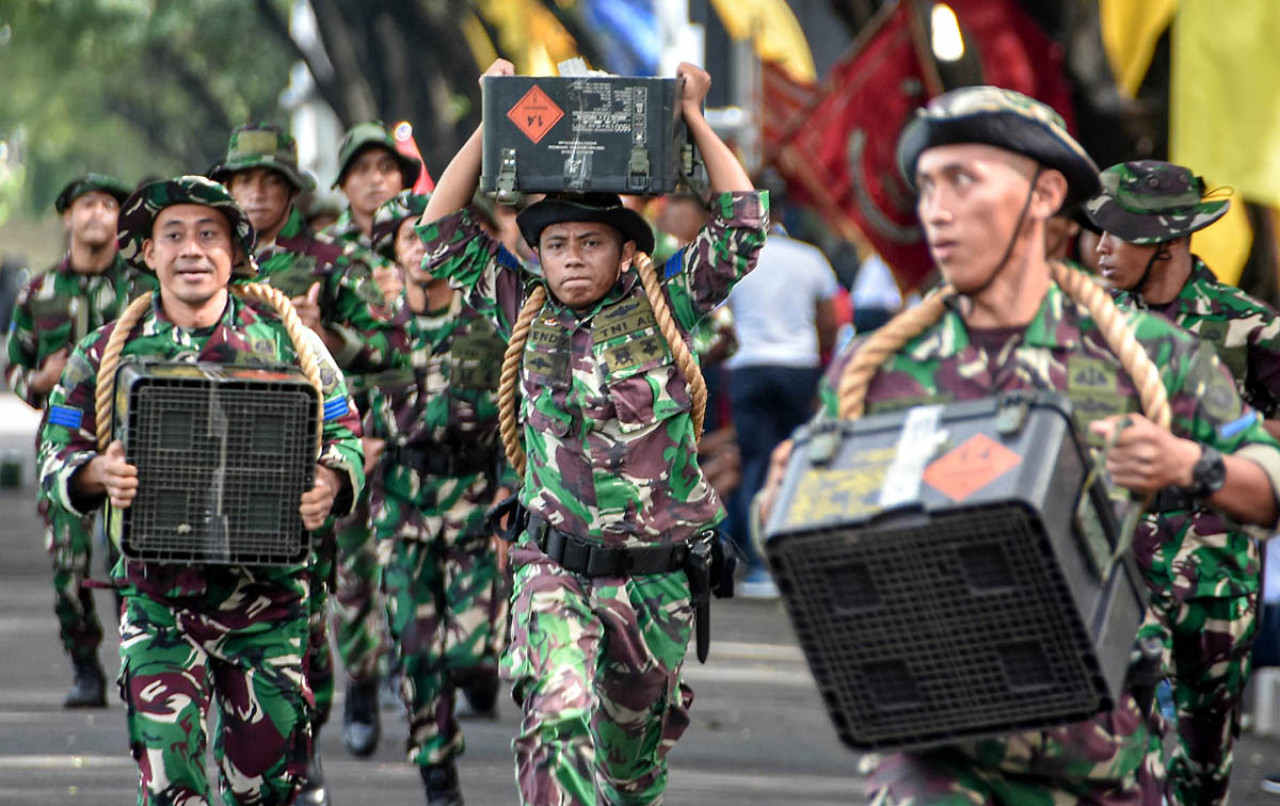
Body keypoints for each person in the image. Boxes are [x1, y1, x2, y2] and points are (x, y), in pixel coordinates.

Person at [755, 86, 1280, 805]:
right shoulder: (877, 368)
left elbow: (1267, 481)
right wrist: (790, 498)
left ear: (1045, 196)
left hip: (1101, 748)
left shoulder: (1149, 353)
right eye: (927, 185)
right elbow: (805, 553)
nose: (937, 209)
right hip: (935, 744)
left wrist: (1190, 463)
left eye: (964, 180)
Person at [417, 58, 767, 805]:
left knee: (631, 771)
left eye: (591, 243)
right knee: (557, 715)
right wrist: (493, 117)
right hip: (556, 571)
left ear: (622, 250)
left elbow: (742, 229)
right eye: (557, 245)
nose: (573, 258)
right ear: (536, 255)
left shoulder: (664, 306)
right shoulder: (523, 307)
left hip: (655, 579)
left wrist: (697, 118)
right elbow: (440, 232)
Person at [37, 175, 364, 805]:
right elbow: (57, 445)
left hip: (268, 608)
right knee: (171, 791)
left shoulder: (289, 343)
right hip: (160, 604)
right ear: (149, 253)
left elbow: (344, 431)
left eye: (209, 234)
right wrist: (93, 473)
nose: (192, 249)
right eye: (174, 235)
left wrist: (330, 480)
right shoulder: (104, 352)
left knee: (265, 790)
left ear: (235, 254)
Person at [206, 121, 410, 800]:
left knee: (306, 608)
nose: (256, 194)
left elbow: (391, 356)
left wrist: (327, 336)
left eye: (269, 182)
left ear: (292, 191)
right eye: (243, 182)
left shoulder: (332, 262)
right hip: (218, 464)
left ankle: (303, 735)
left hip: (309, 462)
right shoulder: (204, 259)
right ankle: (236, 742)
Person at [1084, 159, 1280, 805]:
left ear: (1167, 242)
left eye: (1119, 233)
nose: (1101, 246)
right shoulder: (1090, 323)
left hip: (1219, 574)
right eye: (1100, 230)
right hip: (1118, 566)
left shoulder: (1249, 328)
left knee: (1204, 764)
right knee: (1125, 739)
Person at [363, 190, 516, 804]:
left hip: (475, 507)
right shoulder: (376, 335)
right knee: (413, 645)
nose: (424, 251)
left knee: (475, 650)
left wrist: (512, 489)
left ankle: (474, 683)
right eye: (409, 238)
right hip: (400, 509)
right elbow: (344, 412)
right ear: (393, 252)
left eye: (433, 237)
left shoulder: (490, 325)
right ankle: (435, 764)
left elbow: (519, 414)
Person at [5, 173, 155, 707]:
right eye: (86, 205)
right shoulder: (39, 291)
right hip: (66, 447)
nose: (97, 214)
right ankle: (85, 666)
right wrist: (37, 383)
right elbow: (13, 370)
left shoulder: (141, 288)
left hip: (133, 448)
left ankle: (143, 667)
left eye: (109, 205)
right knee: (67, 564)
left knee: (135, 561)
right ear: (66, 216)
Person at [322, 120, 423, 761]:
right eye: (361, 170)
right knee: (355, 573)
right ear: (344, 183)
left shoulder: (429, 242)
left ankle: (418, 684)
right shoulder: (322, 254)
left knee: (413, 572)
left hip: (421, 436)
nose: (375, 180)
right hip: (345, 436)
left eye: (386, 169)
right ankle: (360, 681)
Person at [723, 183, 839, 597]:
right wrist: (816, 359)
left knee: (755, 462)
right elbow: (829, 321)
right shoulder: (810, 258)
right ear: (787, 214)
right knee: (800, 459)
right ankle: (799, 558)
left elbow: (724, 325)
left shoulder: (739, 262)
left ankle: (759, 565)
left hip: (749, 367)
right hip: (798, 366)